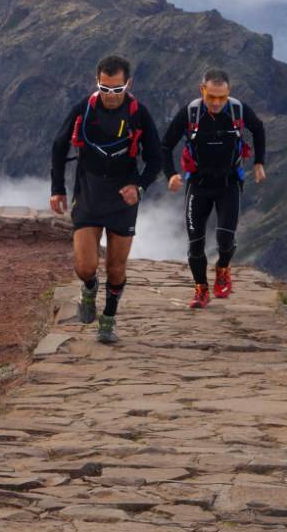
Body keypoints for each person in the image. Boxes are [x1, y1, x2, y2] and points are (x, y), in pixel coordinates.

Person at [50, 54, 163, 344]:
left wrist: (139, 187)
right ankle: (89, 288)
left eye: (117, 89)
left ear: (128, 83)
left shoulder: (139, 113)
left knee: (115, 267)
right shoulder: (83, 110)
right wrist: (57, 189)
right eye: (105, 88)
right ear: (97, 82)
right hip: (89, 191)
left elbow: (156, 159)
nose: (111, 96)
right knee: (85, 266)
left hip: (123, 197)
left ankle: (109, 318)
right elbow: (59, 146)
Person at [163, 68, 268, 309]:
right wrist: (170, 175)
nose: (217, 102)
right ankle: (201, 289)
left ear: (228, 92)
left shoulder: (237, 110)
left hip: (228, 183)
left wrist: (260, 162)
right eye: (212, 97)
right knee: (196, 244)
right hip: (198, 184)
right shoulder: (190, 113)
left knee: (225, 239)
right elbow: (165, 145)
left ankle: (223, 268)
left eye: (222, 97)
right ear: (202, 91)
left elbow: (258, 128)